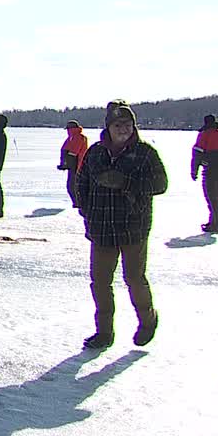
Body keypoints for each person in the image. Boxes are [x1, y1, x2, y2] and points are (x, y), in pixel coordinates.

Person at [75, 101, 167, 350]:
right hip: (102, 228)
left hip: (133, 228)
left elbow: (160, 184)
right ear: (109, 127)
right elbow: (81, 183)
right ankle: (104, 332)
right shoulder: (95, 152)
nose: (123, 129)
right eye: (118, 125)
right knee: (100, 281)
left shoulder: (145, 152)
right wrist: (86, 210)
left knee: (134, 278)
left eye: (127, 125)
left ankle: (147, 321)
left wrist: (126, 183)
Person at [58, 120, 90, 208]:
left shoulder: (79, 137)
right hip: (74, 166)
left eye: (68, 129)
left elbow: (73, 152)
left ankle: (79, 203)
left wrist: (66, 163)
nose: (67, 131)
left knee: (73, 186)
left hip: (78, 166)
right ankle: (77, 202)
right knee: (71, 186)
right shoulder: (72, 138)